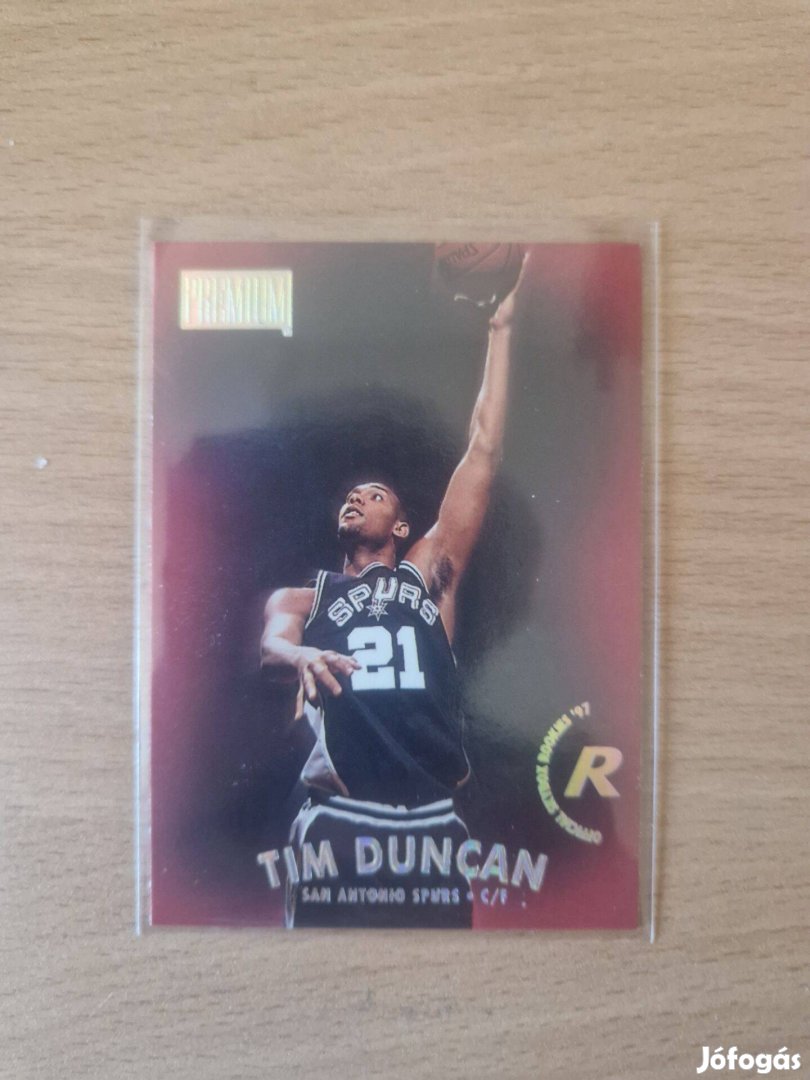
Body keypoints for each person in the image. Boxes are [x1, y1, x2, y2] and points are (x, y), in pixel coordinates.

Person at [260, 260, 527, 927]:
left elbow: (483, 451)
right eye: (351, 496)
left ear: (402, 527)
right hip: (339, 818)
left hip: (431, 823)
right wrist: (299, 657)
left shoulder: (427, 576)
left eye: (373, 494)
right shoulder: (306, 598)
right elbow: (272, 644)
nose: (355, 498)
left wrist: (501, 327)